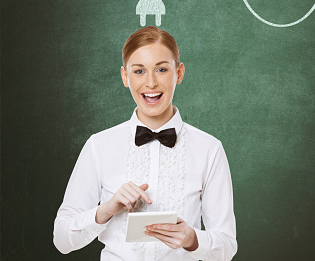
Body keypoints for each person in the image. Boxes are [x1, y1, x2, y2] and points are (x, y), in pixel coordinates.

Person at [53, 26, 237, 260]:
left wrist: (192, 239)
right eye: (139, 71)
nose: (150, 83)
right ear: (125, 77)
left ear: (179, 73)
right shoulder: (98, 146)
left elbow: (227, 246)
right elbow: (61, 239)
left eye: (161, 69)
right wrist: (107, 209)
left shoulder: (209, 150)